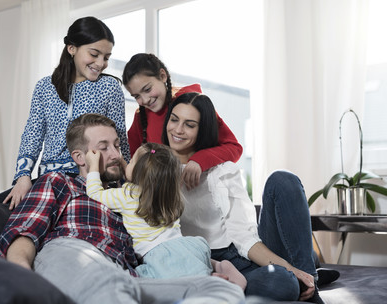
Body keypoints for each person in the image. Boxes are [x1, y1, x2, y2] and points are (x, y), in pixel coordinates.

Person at [0, 113, 245, 304]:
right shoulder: (59, 182)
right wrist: (23, 278)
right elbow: (24, 231)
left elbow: (164, 243)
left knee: (224, 290)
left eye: (117, 145)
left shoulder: (136, 189)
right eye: (104, 148)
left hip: (131, 274)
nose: (115, 154)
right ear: (81, 157)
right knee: (108, 287)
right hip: (76, 251)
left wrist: (214, 266)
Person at [161, 92, 325, 304]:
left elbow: (243, 238)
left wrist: (294, 270)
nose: (178, 129)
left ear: (202, 130)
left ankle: (310, 282)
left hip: (241, 255)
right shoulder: (155, 171)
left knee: (283, 180)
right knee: (281, 282)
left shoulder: (222, 170)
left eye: (189, 125)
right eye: (174, 119)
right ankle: (301, 276)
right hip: (206, 264)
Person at [4, 16, 130, 210]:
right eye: (94, 54)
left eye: (106, 57)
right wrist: (23, 176)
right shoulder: (45, 87)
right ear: (72, 48)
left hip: (92, 179)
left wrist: (126, 182)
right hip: (51, 181)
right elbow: (33, 134)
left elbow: (119, 137)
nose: (101, 63)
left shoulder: (109, 87)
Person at [85, 142, 246, 289]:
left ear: (138, 172)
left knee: (160, 286)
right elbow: (137, 175)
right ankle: (216, 271)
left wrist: (93, 167)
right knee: (193, 273)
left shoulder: (127, 195)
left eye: (131, 160)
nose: (126, 160)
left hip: (158, 256)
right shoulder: (168, 194)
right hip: (187, 247)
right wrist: (125, 164)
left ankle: (212, 281)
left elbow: (94, 193)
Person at [122, 53, 242, 190]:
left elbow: (233, 147)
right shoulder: (141, 115)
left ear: (162, 76)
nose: (144, 100)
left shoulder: (193, 106)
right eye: (136, 96)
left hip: (196, 192)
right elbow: (131, 158)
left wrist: (199, 161)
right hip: (159, 197)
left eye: (148, 89)